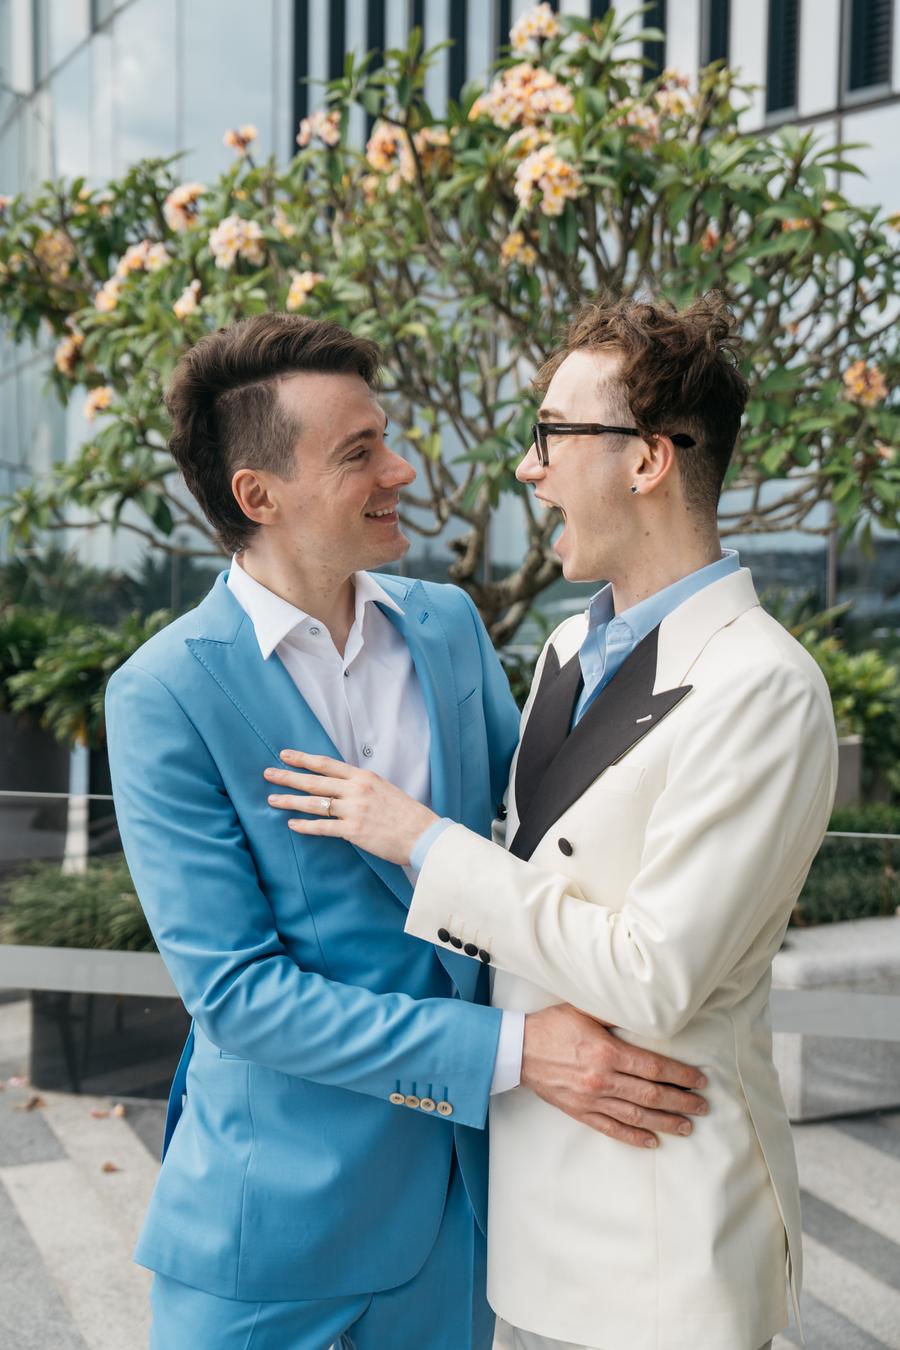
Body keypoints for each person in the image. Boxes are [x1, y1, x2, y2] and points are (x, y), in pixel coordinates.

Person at [105, 312, 708, 1350]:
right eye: (359, 453)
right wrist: (514, 1052)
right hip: (270, 1232)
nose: (401, 469)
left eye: (385, 437)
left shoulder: (449, 627)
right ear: (259, 495)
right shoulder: (163, 693)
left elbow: (536, 849)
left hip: (453, 1220)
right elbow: (239, 998)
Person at [265, 295, 839, 1350]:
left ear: (647, 461)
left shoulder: (764, 683)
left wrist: (420, 839)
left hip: (664, 1235)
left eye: (553, 435)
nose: (529, 469)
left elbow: (654, 975)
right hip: (530, 1222)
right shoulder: (570, 649)